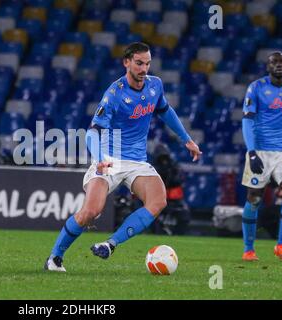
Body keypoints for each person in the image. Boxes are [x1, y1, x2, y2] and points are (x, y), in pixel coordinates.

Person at [44, 42, 201, 272]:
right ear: (126, 62)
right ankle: (54, 258)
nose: (144, 68)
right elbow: (92, 133)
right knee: (91, 212)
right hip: (108, 159)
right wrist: (99, 159)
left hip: (137, 162)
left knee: (158, 201)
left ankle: (110, 244)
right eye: (139, 63)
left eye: (147, 63)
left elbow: (165, 111)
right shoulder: (114, 94)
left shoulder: (155, 85)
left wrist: (186, 139)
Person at [241, 51, 282, 261]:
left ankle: (281, 245)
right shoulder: (256, 88)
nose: (278, 65)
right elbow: (247, 121)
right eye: (274, 62)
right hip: (260, 151)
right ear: (268, 67)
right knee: (254, 199)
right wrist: (251, 152)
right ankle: (248, 249)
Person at [151, 143, 191, 235]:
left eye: (165, 157)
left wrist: (172, 172)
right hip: (155, 199)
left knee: (184, 213)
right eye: (161, 158)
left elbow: (178, 181)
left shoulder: (174, 167)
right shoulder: (151, 168)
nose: (164, 161)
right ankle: (155, 233)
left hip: (173, 200)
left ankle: (179, 235)